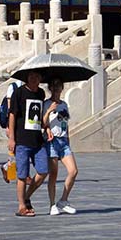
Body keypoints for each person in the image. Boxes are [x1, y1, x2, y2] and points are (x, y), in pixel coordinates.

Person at [8, 71, 48, 216]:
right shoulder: (19, 93)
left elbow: (42, 116)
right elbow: (12, 115)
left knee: (43, 171)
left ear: (40, 78)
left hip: (38, 140)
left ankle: (26, 197)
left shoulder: (41, 93)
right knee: (22, 175)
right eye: (31, 76)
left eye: (37, 76)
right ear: (26, 77)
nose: (34, 79)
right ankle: (21, 206)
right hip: (22, 140)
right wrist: (12, 138)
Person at [44, 78, 78, 216]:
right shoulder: (46, 103)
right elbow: (43, 123)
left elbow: (65, 123)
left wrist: (68, 139)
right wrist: (49, 111)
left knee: (73, 171)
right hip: (52, 141)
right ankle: (52, 204)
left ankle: (63, 200)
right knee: (53, 175)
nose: (56, 88)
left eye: (59, 86)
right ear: (50, 88)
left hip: (63, 141)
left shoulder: (64, 104)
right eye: (54, 86)